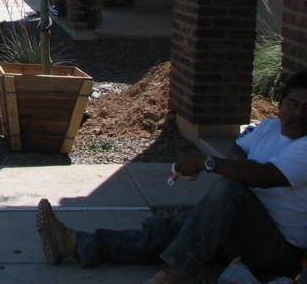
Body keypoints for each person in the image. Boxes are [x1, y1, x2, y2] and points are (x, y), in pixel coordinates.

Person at [36, 71, 307, 284]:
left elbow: (265, 175)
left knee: (230, 190)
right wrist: (235, 168)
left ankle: (178, 273)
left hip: (277, 249)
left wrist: (208, 163)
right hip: (241, 231)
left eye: (306, 108)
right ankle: (74, 244)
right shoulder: (270, 127)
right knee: (171, 231)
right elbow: (237, 149)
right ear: (280, 105)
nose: (297, 113)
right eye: (292, 104)